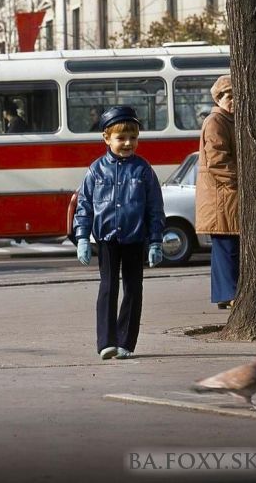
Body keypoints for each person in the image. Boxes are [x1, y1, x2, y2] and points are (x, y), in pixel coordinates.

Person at [73, 106, 165, 360]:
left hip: (135, 239)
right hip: (107, 239)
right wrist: (82, 237)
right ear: (106, 138)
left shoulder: (144, 170)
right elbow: (84, 206)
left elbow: (155, 208)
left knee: (134, 289)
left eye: (133, 138)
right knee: (108, 288)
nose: (127, 143)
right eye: (121, 138)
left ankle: (126, 341)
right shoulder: (95, 170)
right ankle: (106, 341)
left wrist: (156, 240)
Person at [195, 74, 239, 310]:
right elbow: (218, 162)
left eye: (236, 96)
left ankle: (226, 293)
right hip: (222, 198)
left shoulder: (227, 120)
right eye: (228, 96)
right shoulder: (216, 122)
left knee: (228, 246)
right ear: (219, 98)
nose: (233, 101)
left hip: (225, 198)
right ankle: (229, 293)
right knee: (227, 246)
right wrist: (242, 181)